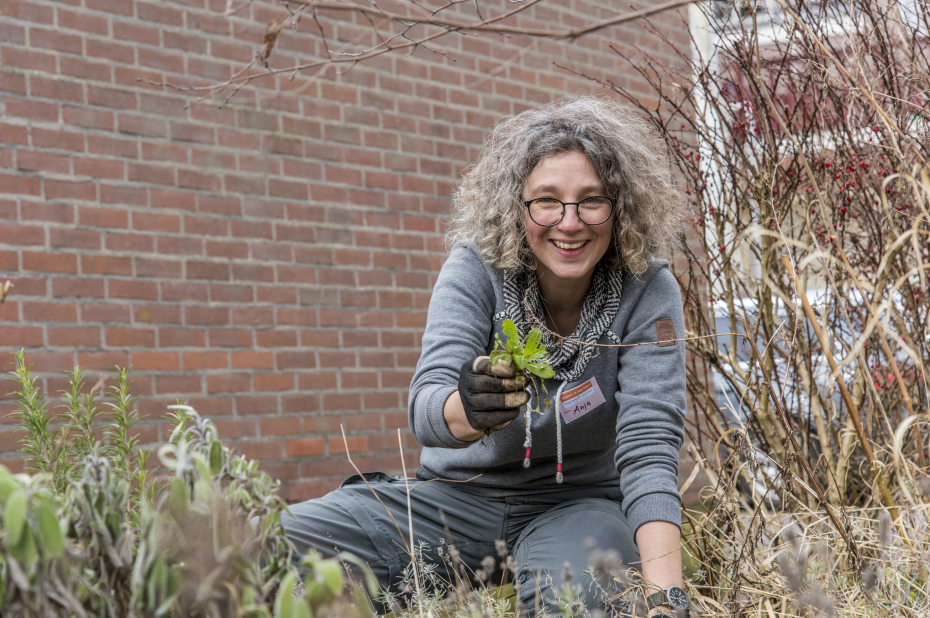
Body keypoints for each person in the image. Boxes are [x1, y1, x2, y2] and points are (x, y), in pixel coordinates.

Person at [281, 96, 689, 617]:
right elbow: (426, 410)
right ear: (516, 208)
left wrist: (667, 596)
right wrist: (467, 410)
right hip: (455, 497)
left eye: (592, 200)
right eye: (546, 200)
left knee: (578, 596)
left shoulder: (646, 288)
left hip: (578, 505)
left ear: (621, 207)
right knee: (280, 543)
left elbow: (649, 445)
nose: (569, 222)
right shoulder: (476, 267)